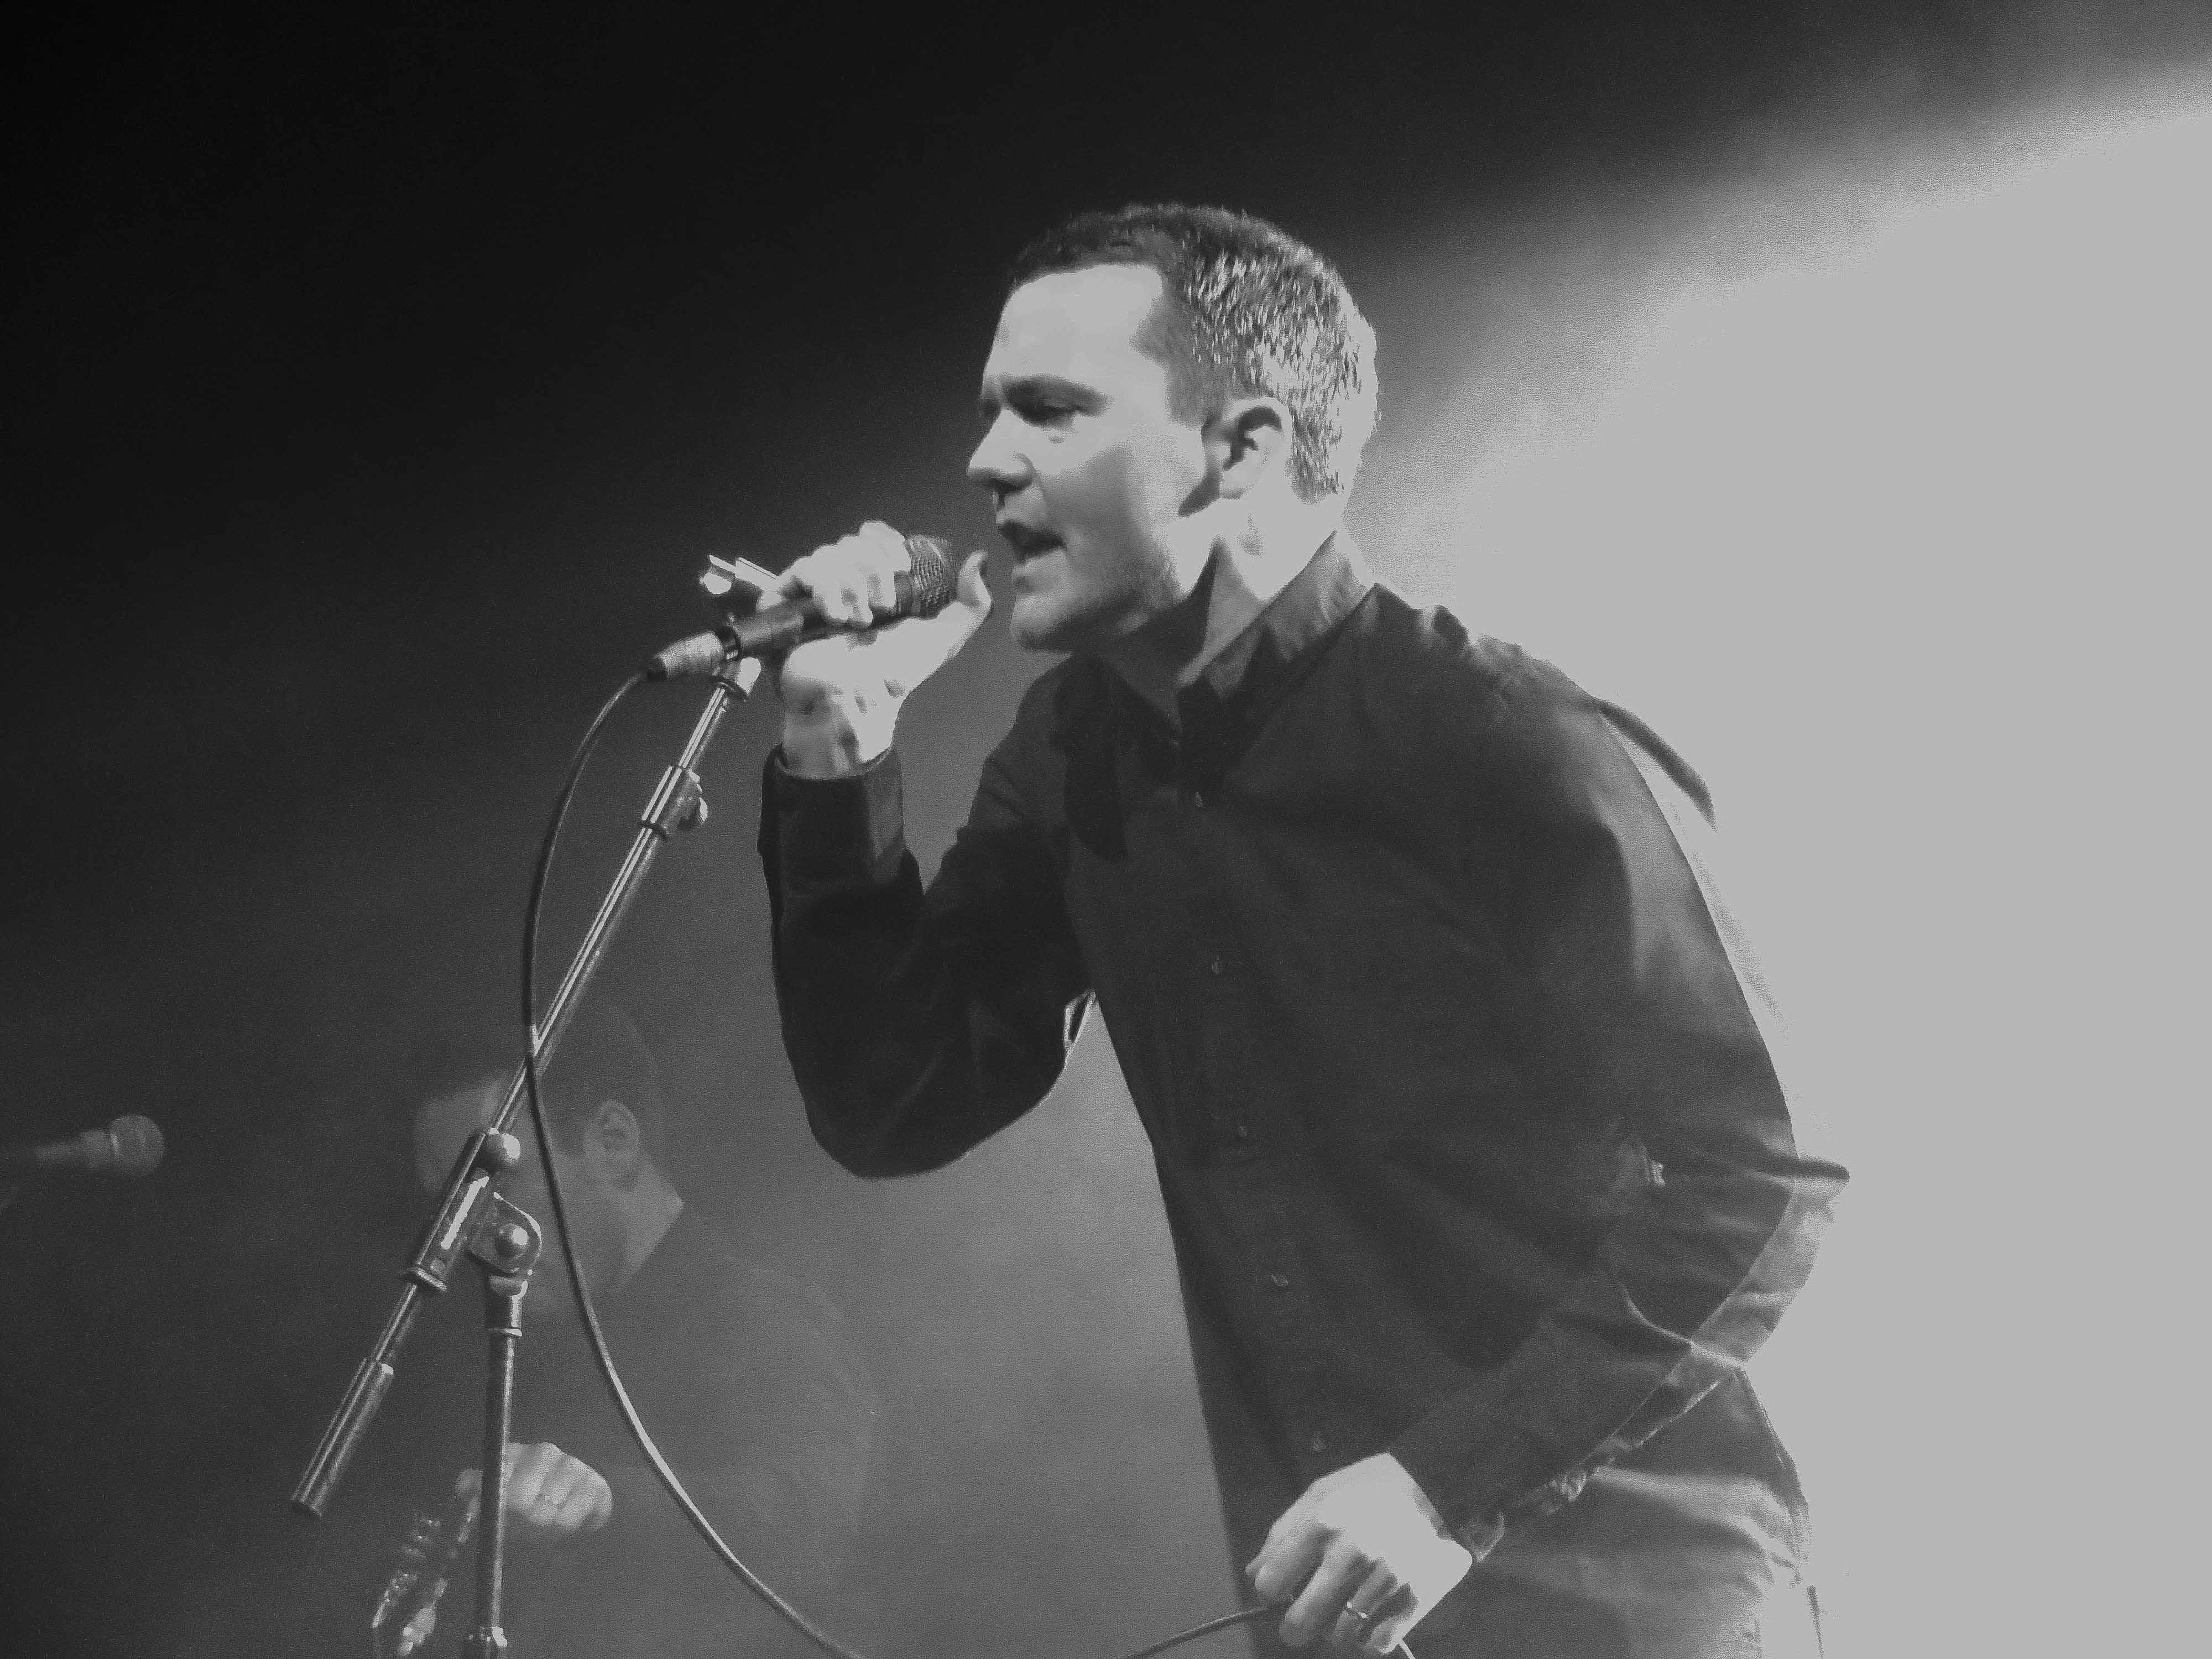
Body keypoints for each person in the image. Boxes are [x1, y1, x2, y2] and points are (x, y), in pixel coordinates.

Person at [753, 203, 1845, 1658]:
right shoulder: (1070, 757)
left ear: (1243, 447)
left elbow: (1764, 1170)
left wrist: (1449, 1486)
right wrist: (836, 748)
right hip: (1342, 1616)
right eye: (989, 413)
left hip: (1628, 1597)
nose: (986, 460)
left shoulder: (1502, 739)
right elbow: (896, 1100)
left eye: (1051, 411)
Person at [406, 1001, 877, 1659]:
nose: (464, 1237)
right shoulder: (536, 1352)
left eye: (491, 1185)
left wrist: (606, 1504)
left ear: (613, 1141)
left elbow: (803, 1522)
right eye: (449, 1209)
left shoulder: (764, 1316)